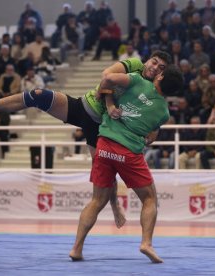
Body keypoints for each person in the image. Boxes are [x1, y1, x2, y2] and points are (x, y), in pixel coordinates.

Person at [0, 51, 172, 227]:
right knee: (38, 94)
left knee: (105, 175)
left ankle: (115, 206)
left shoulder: (152, 90)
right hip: (83, 106)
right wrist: (110, 104)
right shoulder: (134, 65)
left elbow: (154, 120)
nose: (155, 68)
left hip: (100, 127)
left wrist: (152, 134)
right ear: (147, 61)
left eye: (160, 67)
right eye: (154, 62)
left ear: (163, 74)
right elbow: (107, 76)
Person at [69, 64, 183, 263]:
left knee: (97, 201)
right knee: (149, 199)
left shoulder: (137, 81)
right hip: (128, 153)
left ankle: (76, 248)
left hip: (104, 145)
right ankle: (146, 243)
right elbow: (151, 136)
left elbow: (107, 78)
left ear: (161, 76)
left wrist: (109, 103)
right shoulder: (164, 113)